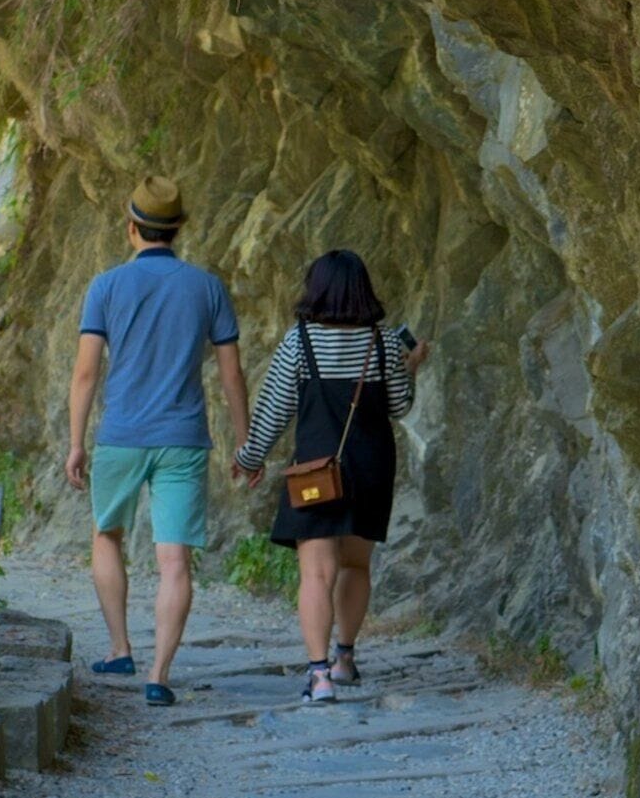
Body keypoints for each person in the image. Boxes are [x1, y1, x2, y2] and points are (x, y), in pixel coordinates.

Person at [64, 176, 247, 706]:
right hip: (184, 438)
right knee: (175, 561)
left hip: (120, 435)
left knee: (107, 536)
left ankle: (120, 647)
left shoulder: (106, 286)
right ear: (180, 229)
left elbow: (85, 373)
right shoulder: (208, 287)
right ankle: (158, 674)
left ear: (131, 228)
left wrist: (76, 442)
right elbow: (232, 374)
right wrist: (244, 441)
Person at [235, 250, 425, 703]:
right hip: (372, 467)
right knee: (356, 564)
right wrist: (410, 366)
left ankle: (318, 677)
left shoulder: (299, 341)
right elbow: (400, 407)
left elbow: (274, 408)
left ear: (315, 287)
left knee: (315, 574)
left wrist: (250, 457)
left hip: (317, 472)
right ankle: (344, 659)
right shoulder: (381, 341)